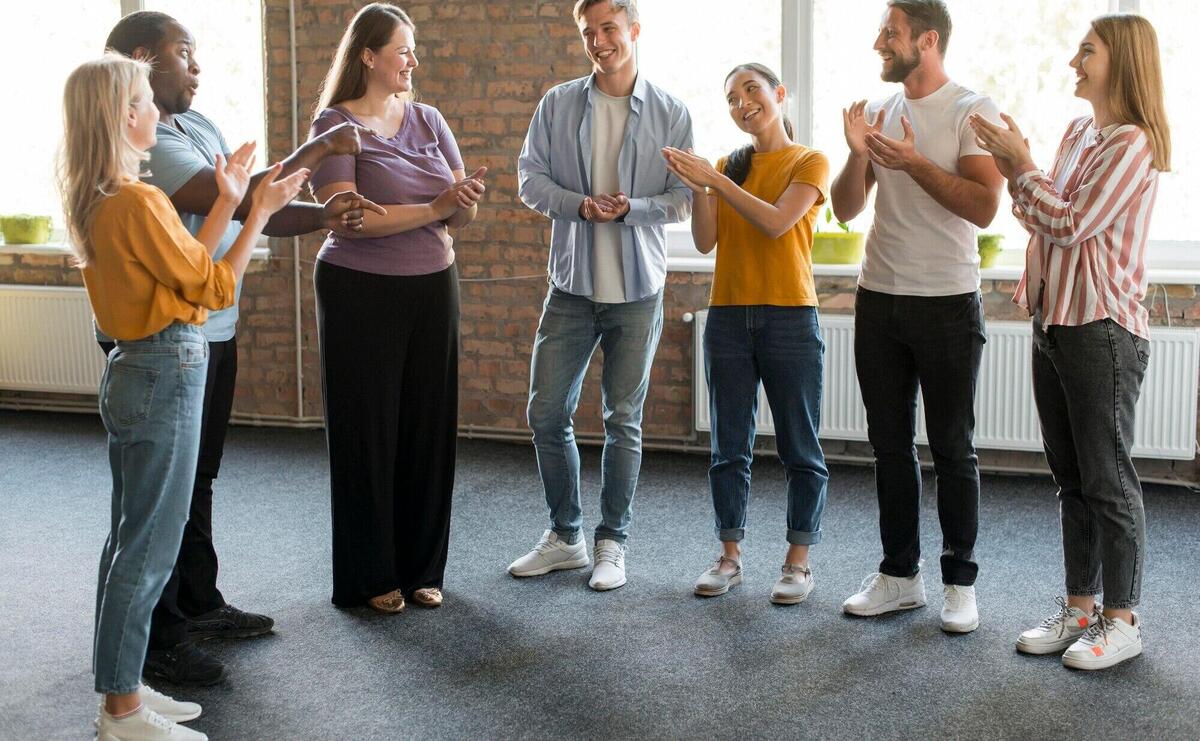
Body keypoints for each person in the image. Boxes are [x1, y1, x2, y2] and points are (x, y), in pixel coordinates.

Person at [100, 10, 382, 686]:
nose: (196, 66)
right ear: (141, 59)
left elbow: (256, 207)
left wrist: (321, 214)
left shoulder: (196, 127)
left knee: (198, 477)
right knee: (160, 496)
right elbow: (221, 197)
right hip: (167, 336)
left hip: (212, 328)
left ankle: (198, 600)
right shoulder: (140, 144)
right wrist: (319, 151)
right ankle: (159, 635)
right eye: (183, 53)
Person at [60, 53, 305, 740]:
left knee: (128, 542)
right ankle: (122, 711)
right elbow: (217, 287)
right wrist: (257, 208)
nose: (154, 111)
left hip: (138, 370)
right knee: (145, 551)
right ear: (122, 116)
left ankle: (124, 687)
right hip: (163, 371)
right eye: (143, 100)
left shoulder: (99, 195)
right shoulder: (137, 200)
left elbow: (189, 278)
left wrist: (229, 198)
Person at [970, 13, 1170, 670]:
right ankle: (1081, 609)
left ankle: (1121, 619)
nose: (1073, 61)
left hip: (1102, 331)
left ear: (1124, 61)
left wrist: (1017, 163)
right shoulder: (1081, 131)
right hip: (1055, 325)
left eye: (1086, 51)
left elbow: (1068, 219)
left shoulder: (1132, 143)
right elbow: (1040, 212)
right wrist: (1026, 167)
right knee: (1071, 479)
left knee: (1106, 479)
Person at [830, 0, 1003, 632]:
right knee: (890, 445)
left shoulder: (971, 109)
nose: (880, 41)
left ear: (927, 40)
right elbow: (847, 210)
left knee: (953, 447)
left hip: (948, 303)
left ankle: (960, 582)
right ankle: (901, 575)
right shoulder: (878, 112)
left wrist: (914, 164)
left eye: (891, 32)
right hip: (880, 298)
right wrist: (859, 155)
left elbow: (984, 207)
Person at [509, 0, 693, 591]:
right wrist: (580, 205)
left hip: (638, 293)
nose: (599, 41)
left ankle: (613, 541)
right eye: (589, 32)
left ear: (634, 31)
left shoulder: (671, 111)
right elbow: (529, 180)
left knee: (624, 420)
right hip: (571, 287)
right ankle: (566, 536)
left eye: (609, 29)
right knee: (546, 412)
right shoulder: (558, 103)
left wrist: (630, 211)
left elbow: (684, 198)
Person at [309, 2, 486, 614]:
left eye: (414, 49)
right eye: (403, 49)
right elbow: (349, 217)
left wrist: (460, 201)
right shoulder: (335, 126)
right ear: (368, 55)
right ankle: (369, 574)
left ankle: (420, 570)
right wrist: (438, 208)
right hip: (359, 287)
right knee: (368, 431)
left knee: (427, 430)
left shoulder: (430, 119)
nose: (413, 59)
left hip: (433, 284)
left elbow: (454, 209)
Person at [662, 64, 830, 604]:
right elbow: (707, 241)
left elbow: (778, 222)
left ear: (779, 94)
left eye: (751, 90)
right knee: (728, 447)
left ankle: (797, 563)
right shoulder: (723, 168)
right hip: (729, 319)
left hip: (789, 317)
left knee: (800, 448)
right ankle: (729, 557)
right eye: (732, 97)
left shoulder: (809, 160)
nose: (742, 102)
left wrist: (715, 183)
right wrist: (703, 188)